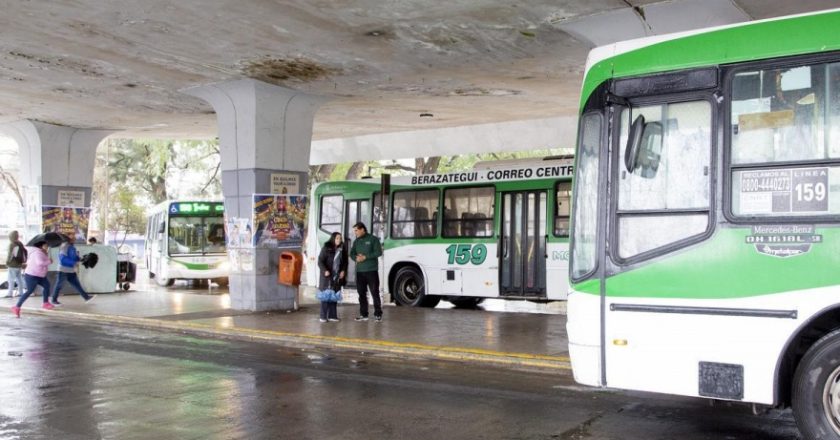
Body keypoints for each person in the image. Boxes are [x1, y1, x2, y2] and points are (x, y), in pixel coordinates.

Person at [349, 222, 383, 322]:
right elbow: (351, 253)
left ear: (362, 229)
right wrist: (356, 258)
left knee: (374, 293)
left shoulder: (373, 239)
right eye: (354, 231)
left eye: (356, 230)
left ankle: (378, 314)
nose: (355, 233)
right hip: (360, 272)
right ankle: (364, 315)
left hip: (371, 271)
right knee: (361, 294)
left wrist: (365, 257)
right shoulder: (356, 241)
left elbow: (378, 252)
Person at [11, 241, 52, 317]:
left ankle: (45, 303)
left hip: (40, 275)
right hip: (32, 275)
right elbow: (40, 263)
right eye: (45, 246)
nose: (47, 247)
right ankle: (17, 307)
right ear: (41, 246)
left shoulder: (42, 252)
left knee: (47, 286)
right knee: (30, 291)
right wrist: (49, 261)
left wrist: (47, 257)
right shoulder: (37, 253)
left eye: (47, 246)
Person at [51, 237, 96, 305]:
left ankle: (86, 297)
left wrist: (82, 259)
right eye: (72, 237)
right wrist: (73, 262)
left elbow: (74, 257)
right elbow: (62, 259)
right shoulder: (64, 246)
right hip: (63, 270)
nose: (74, 238)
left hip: (71, 270)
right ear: (68, 239)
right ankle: (54, 300)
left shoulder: (72, 247)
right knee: (59, 285)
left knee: (77, 285)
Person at [317, 232, 348, 323]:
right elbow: (320, 261)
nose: (339, 240)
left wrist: (343, 271)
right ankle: (323, 316)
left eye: (340, 238)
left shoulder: (342, 250)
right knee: (326, 296)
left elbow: (345, 262)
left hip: (336, 276)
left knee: (334, 295)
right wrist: (324, 270)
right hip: (327, 276)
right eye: (337, 238)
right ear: (333, 238)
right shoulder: (326, 248)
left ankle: (332, 316)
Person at [5, 230, 27, 298]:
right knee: (19, 279)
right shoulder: (20, 243)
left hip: (12, 265)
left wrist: (7, 262)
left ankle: (10, 293)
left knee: (10, 280)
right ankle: (21, 293)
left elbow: (10, 255)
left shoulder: (12, 244)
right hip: (19, 264)